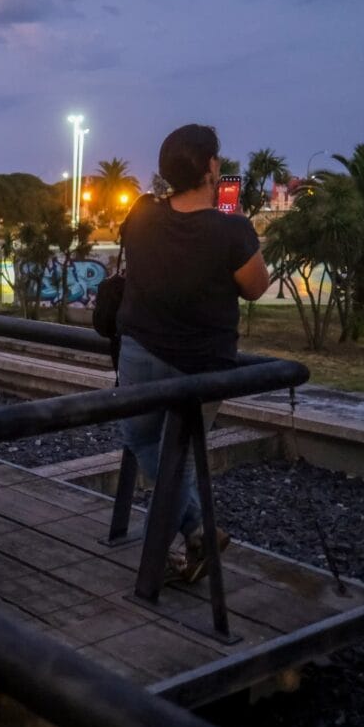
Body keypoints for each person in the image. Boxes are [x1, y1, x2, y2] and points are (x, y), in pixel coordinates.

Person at [116, 124, 271, 582]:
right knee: (176, 458)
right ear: (210, 168)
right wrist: (234, 218)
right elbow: (257, 287)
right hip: (202, 366)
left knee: (144, 442)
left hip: (139, 351)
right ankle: (176, 546)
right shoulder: (231, 229)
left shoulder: (141, 214)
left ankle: (186, 539)